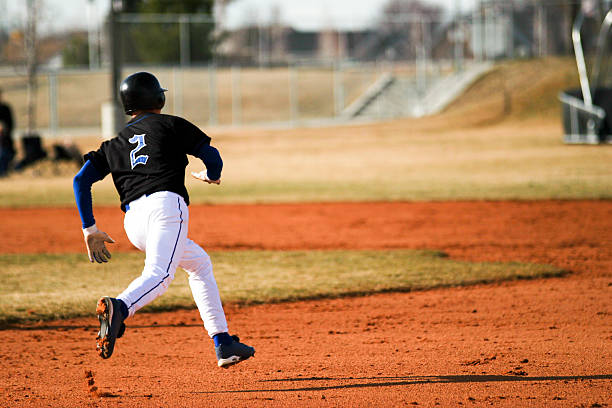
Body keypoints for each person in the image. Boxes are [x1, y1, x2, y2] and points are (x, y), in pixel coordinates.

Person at [72, 72, 255, 367]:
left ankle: (223, 342)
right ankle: (119, 307)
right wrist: (212, 175)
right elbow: (212, 156)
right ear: (159, 98)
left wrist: (89, 229)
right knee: (160, 274)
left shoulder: (114, 143)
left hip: (134, 223)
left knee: (199, 263)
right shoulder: (170, 124)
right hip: (166, 208)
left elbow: (80, 181)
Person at [0, 88, 15, 176]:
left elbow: (10, 125)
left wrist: (3, 128)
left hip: (4, 140)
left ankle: (2, 171)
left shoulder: (5, 109)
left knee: (4, 152)